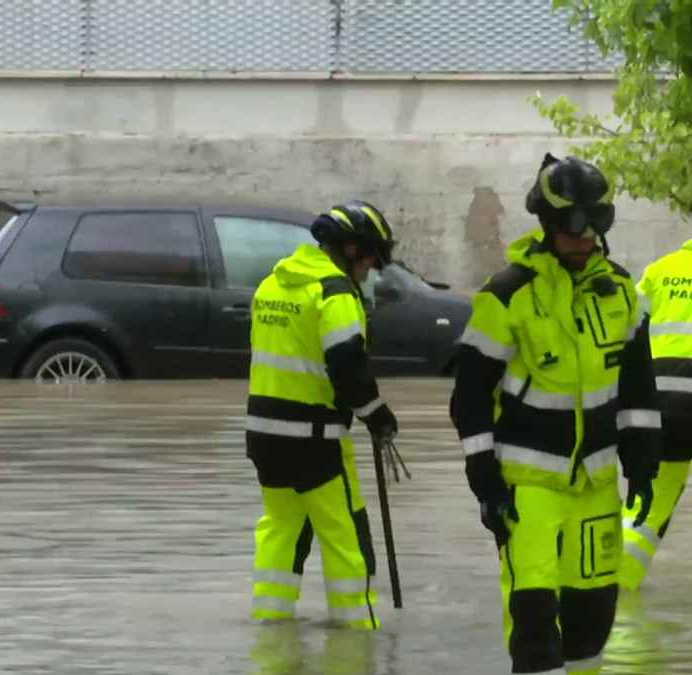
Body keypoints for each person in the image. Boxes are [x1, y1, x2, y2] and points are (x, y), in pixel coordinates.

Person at [450, 153, 662, 674]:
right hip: (528, 491)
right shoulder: (506, 296)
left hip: (596, 485)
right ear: (546, 224)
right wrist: (485, 480)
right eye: (573, 224)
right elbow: (469, 397)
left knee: (591, 626)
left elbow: (637, 388)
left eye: (597, 223)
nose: (585, 235)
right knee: (535, 621)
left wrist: (643, 463)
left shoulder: (622, 294)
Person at [247, 199, 399, 630]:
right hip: (318, 443)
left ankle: (271, 632)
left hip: (263, 437)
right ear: (351, 250)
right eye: (369, 259)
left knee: (281, 531)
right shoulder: (335, 294)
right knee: (346, 538)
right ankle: (357, 643)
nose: (369, 271)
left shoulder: (271, 286)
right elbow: (348, 367)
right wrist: (378, 417)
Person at [619, 240, 692, 590]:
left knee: (649, 505)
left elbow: (624, 331)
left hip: (662, 403)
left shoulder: (659, 270)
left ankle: (616, 587)